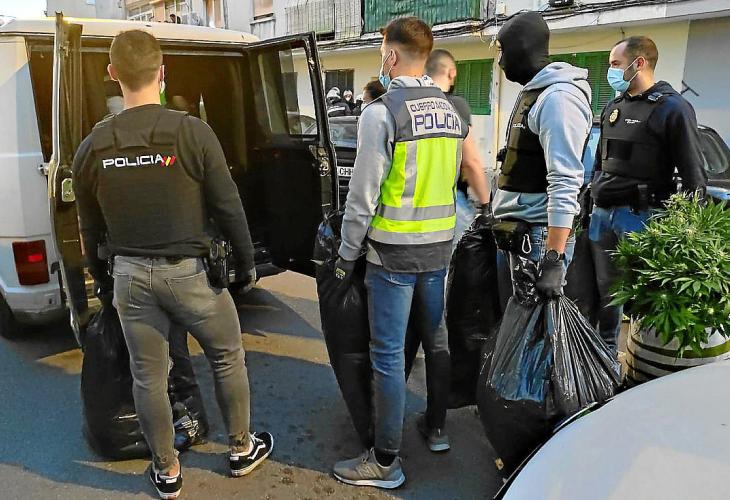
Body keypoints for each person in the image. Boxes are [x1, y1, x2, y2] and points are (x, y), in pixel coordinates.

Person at [72, 30, 273, 499]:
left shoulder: (93, 146)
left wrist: (102, 280)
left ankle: (166, 472)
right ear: (163, 73)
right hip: (192, 276)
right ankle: (241, 449)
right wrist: (246, 263)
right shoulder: (192, 132)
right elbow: (228, 205)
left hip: (130, 278)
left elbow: (89, 228)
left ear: (113, 74)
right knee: (227, 355)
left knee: (149, 377)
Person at [332, 17, 468, 489]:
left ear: (391, 56)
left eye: (381, 54)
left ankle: (385, 461)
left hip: (392, 254)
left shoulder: (382, 112)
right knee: (436, 340)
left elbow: (362, 195)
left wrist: (346, 254)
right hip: (438, 248)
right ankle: (436, 429)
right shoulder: (452, 110)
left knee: (388, 357)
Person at [589, 36, 707, 352]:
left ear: (638, 63)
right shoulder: (613, 106)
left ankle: (642, 359)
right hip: (602, 216)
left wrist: (690, 234)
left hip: (640, 218)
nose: (610, 71)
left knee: (645, 297)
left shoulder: (672, 108)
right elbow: (600, 163)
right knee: (607, 296)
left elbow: (694, 174)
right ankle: (606, 361)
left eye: (615, 64)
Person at [491, 11, 592, 297]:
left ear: (522, 48)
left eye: (503, 51)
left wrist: (553, 258)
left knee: (535, 326)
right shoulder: (534, 93)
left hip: (538, 239)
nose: (501, 61)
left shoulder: (558, 99)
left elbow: (565, 180)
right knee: (515, 322)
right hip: (518, 232)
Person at [425, 48, 491, 250]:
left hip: (411, 208)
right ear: (452, 72)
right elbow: (470, 161)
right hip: (450, 202)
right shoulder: (455, 106)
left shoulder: (410, 104)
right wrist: (486, 205)